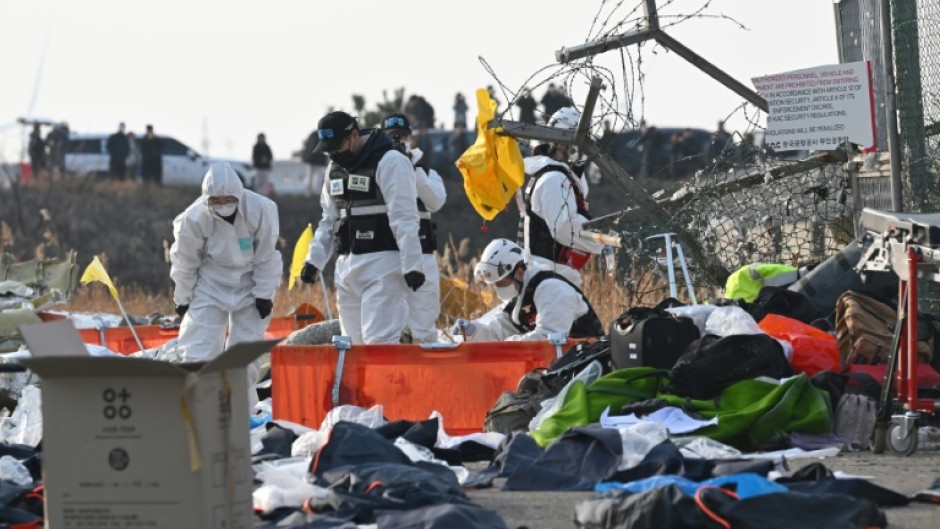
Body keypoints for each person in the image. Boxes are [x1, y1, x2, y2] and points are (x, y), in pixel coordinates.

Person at [299, 111, 425, 344]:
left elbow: (404, 218)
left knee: (380, 344)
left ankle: (386, 381)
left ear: (354, 135)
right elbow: (329, 219)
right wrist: (313, 261)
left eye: (338, 146)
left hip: (383, 266)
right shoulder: (333, 169)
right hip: (346, 268)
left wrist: (412, 265)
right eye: (329, 149)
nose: (334, 153)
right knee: (352, 346)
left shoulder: (390, 161)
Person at [169, 162, 282, 406]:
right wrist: (182, 297)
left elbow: (266, 256)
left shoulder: (260, 209)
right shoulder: (193, 218)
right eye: (216, 201)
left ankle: (244, 414)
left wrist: (264, 293)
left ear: (238, 194)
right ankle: (198, 410)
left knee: (244, 358)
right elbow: (184, 261)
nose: (223, 204)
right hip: (210, 285)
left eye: (228, 199)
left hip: (250, 284)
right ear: (206, 199)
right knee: (197, 353)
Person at [452, 239, 604, 342]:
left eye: (501, 282)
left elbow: (549, 338)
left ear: (519, 272)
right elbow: (498, 334)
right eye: (495, 284)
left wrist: (510, 345)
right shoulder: (518, 299)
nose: (498, 289)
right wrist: (473, 332)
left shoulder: (552, 289)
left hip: (588, 366)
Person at [520, 106, 603, 287]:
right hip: (548, 279)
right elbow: (564, 230)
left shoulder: (556, 176)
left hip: (553, 276)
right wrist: (604, 240)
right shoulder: (554, 179)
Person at [382, 112, 446, 343]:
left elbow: (435, 201)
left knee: (424, 326)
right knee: (390, 327)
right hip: (388, 255)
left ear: (410, 139)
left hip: (422, 254)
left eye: (401, 136)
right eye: (391, 137)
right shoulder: (376, 170)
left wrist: (410, 169)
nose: (397, 141)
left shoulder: (426, 172)